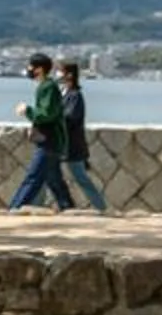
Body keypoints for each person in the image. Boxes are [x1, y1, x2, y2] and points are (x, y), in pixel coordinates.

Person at [6, 52, 72, 212]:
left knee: (33, 176)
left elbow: (46, 114)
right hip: (51, 139)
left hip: (49, 140)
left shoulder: (48, 87)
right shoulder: (46, 86)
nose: (28, 69)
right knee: (53, 179)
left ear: (39, 69)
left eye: (30, 66)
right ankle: (67, 208)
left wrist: (26, 111)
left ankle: (15, 207)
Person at [57, 61, 108, 212]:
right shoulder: (63, 93)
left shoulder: (75, 96)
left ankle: (101, 207)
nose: (58, 75)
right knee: (48, 175)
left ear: (70, 75)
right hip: (60, 144)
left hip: (72, 146)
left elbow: (71, 118)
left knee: (81, 178)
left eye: (60, 71)